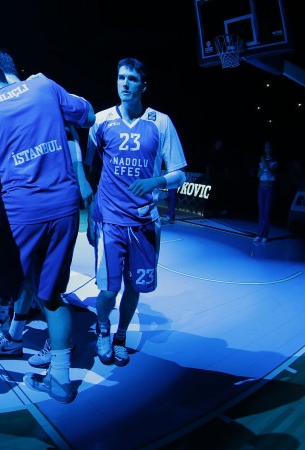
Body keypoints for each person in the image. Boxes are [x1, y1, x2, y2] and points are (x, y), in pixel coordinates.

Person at [0, 59, 94, 404]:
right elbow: (88, 116)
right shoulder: (44, 85)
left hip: (19, 214)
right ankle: (59, 380)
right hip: (64, 208)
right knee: (50, 296)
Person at [85, 57, 187, 368]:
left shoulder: (161, 122)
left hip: (144, 222)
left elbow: (180, 173)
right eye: (121, 77)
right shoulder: (100, 120)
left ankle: (120, 336)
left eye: (131, 78)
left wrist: (156, 181)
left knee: (134, 287)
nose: (125, 84)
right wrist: (91, 213)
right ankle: (103, 329)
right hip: (109, 220)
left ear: (144, 85)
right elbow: (89, 170)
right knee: (107, 290)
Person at [254, 140, 277, 243]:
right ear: (264, 149)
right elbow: (258, 175)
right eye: (266, 147)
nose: (267, 149)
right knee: (261, 212)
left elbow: (272, 174)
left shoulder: (274, 161)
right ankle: (259, 234)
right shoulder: (261, 161)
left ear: (271, 148)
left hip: (270, 189)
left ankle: (265, 235)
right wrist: (263, 164)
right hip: (261, 188)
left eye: (269, 147)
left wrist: (265, 163)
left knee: (267, 212)